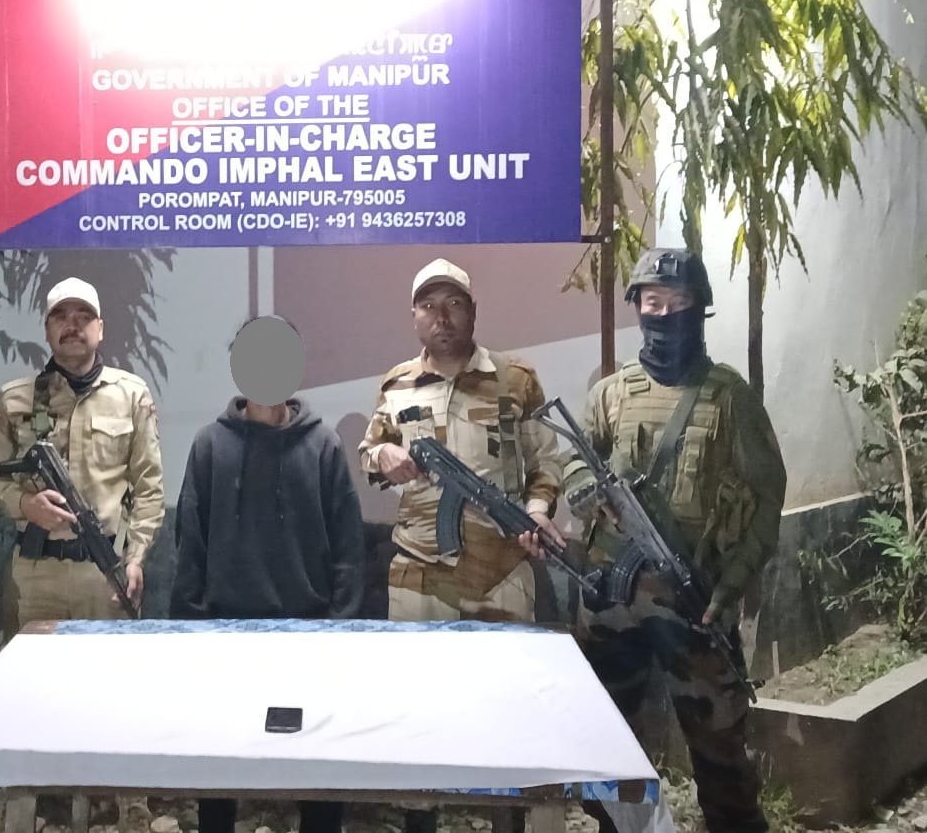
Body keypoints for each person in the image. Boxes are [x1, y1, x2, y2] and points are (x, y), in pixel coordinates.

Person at [519, 247, 787, 833]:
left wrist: (731, 587)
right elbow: (577, 456)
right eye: (652, 302)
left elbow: (768, 499)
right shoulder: (610, 393)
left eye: (679, 301)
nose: (664, 315)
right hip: (610, 599)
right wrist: (584, 487)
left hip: (695, 602)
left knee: (720, 752)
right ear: (637, 307)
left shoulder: (730, 397)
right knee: (609, 743)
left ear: (699, 307)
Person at [356, 257, 562, 833]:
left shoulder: (515, 379)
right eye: (429, 306)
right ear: (414, 316)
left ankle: (507, 822)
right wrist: (384, 455)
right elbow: (369, 451)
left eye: (453, 305)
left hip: (502, 572)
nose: (441, 317)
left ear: (473, 312)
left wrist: (538, 510)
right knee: (418, 719)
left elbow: (546, 462)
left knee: (509, 717)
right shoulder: (396, 384)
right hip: (420, 576)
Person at [0, 274, 164, 833]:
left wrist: (136, 557)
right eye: (62, 316)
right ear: (48, 329)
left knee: (115, 696)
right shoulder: (16, 399)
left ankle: (128, 810)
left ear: (100, 328)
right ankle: (21, 811)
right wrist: (25, 506)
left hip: (103, 574)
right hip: (35, 575)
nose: (73, 326)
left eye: (84, 317)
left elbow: (149, 488)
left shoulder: (131, 395)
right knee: (26, 697)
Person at [170, 314, 365, 833]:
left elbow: (348, 546)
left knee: (320, 767)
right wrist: (190, 629)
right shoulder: (210, 444)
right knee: (218, 767)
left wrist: (340, 627)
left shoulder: (324, 444)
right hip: (225, 632)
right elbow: (190, 544)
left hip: (310, 631)